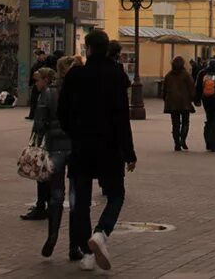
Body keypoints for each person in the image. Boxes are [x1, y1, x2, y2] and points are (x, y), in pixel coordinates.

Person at [58, 30, 136, 272]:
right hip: (110, 147)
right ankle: (101, 233)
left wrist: (75, 132)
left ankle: (87, 252)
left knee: (80, 201)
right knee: (116, 195)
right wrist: (129, 152)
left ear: (88, 49)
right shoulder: (116, 76)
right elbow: (123, 118)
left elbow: (63, 113)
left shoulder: (75, 75)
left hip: (81, 147)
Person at [32, 62, 79, 260]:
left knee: (56, 195)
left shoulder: (48, 93)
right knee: (77, 198)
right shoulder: (79, 91)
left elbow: (39, 122)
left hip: (55, 147)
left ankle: (52, 235)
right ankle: (74, 246)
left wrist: (37, 143)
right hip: (76, 148)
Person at [162, 56, 195, 151]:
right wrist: (193, 98)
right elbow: (192, 88)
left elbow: (164, 90)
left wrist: (166, 99)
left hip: (172, 103)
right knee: (185, 122)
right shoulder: (186, 75)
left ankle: (176, 143)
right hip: (185, 103)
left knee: (175, 124)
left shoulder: (168, 75)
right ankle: (183, 140)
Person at [27, 49, 50, 120]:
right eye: (37, 55)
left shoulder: (42, 64)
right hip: (37, 83)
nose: (38, 57)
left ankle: (34, 115)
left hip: (40, 83)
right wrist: (31, 83)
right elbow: (32, 73)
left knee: (38, 99)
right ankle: (32, 115)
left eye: (38, 55)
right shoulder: (38, 63)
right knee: (34, 99)